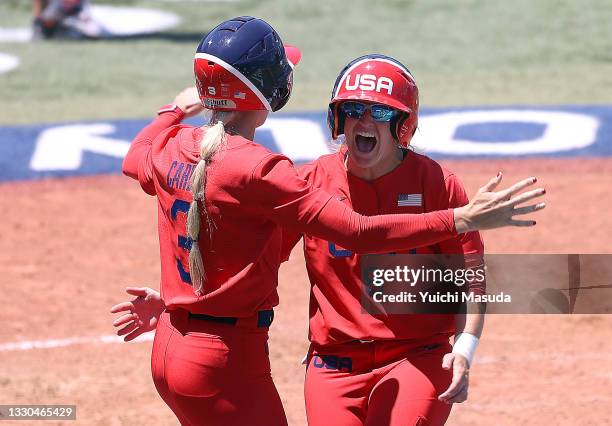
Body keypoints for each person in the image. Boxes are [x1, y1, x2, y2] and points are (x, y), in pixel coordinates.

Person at [113, 16, 545, 426]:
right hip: (330, 366)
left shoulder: (434, 182)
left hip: (415, 357)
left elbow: (467, 278)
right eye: (353, 109)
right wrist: (461, 220)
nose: (363, 121)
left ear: (402, 125)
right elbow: (315, 240)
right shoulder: (300, 178)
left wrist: (465, 346)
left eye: (378, 113)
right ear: (336, 117)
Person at [32, 0, 101, 39]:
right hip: (58, 22)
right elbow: (49, 17)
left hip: (75, 20)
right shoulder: (57, 4)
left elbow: (86, 14)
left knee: (93, 31)